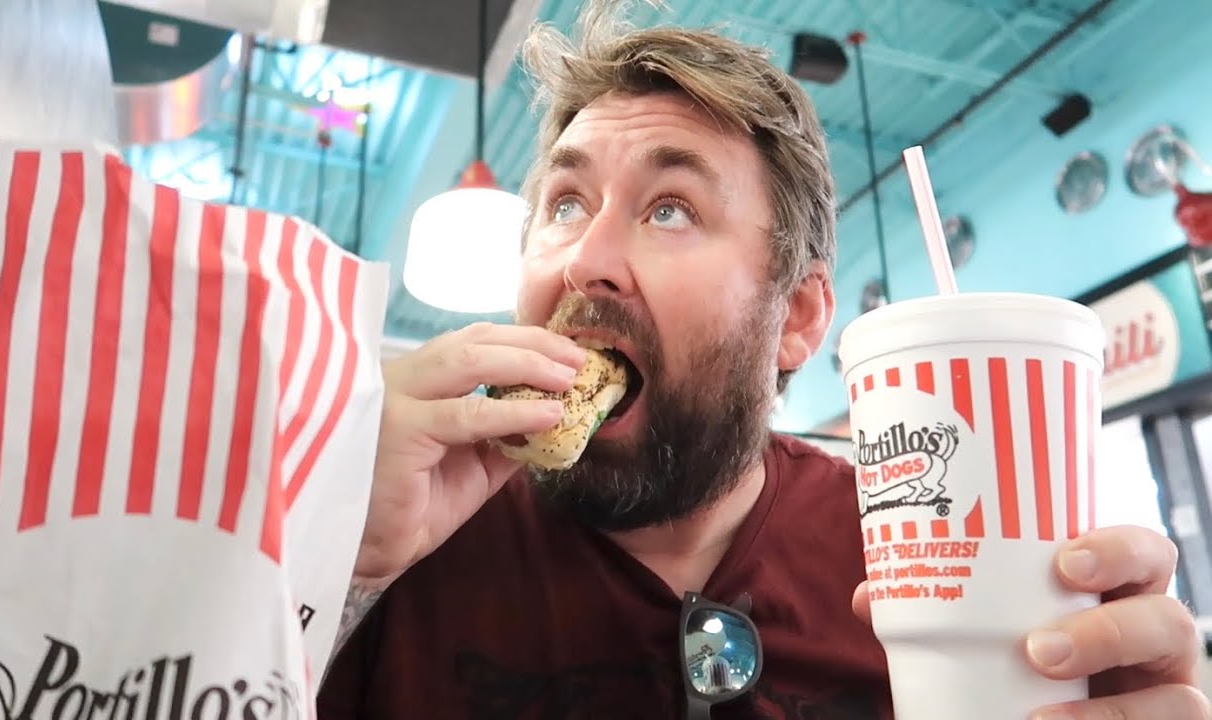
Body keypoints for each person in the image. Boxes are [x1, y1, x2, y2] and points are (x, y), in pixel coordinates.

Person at [318, 2, 1211, 718]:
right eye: (564, 201)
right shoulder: (405, 536)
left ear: (797, 317)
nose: (584, 256)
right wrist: (326, 561)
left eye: (670, 207)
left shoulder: (922, 554)